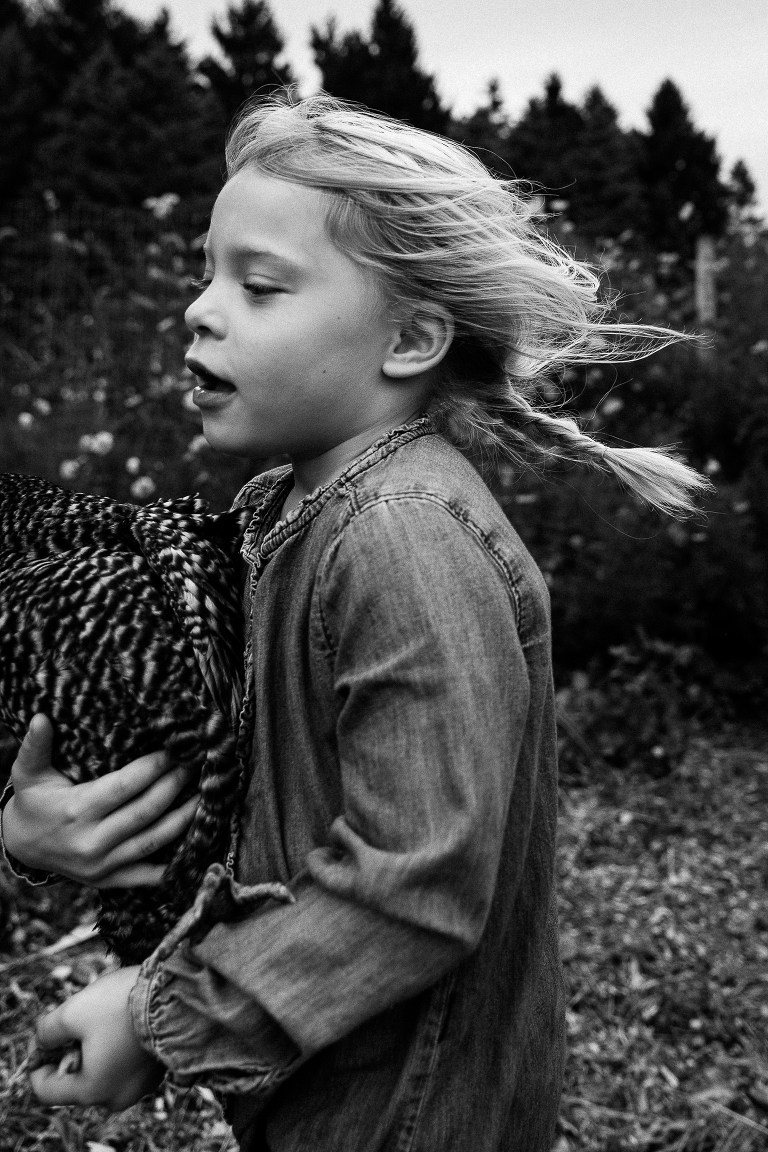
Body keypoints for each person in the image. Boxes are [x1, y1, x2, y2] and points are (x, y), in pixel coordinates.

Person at [1, 94, 707, 1150]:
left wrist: (164, 1015)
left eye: (260, 285)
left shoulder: (402, 537)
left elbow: (415, 882)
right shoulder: (285, 513)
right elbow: (235, 766)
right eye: (206, 271)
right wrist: (40, 820)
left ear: (413, 337)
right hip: (329, 1089)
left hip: (410, 1112)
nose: (200, 307)